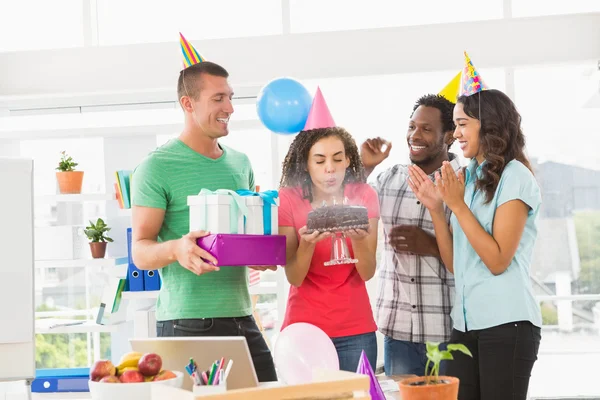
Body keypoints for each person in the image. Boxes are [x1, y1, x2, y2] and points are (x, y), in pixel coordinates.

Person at [129, 35, 277, 382]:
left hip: (243, 315)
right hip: (187, 323)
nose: (229, 107)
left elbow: (241, 237)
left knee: (272, 390)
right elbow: (140, 250)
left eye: (230, 97)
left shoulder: (240, 163)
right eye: (218, 98)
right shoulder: (156, 167)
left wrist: (258, 251)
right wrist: (178, 249)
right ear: (188, 103)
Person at [408, 86, 543, 398]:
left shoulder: (515, 176)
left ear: (490, 124)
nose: (455, 134)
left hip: (508, 324)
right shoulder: (467, 177)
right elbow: (458, 265)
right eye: (455, 125)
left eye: (462, 123)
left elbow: (497, 261)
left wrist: (456, 205)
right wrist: (437, 211)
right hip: (465, 326)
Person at [278, 88, 380, 372]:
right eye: (320, 161)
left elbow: (367, 271)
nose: (330, 169)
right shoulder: (288, 199)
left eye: (338, 158)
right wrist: (308, 245)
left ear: (349, 160)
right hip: (304, 330)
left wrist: (359, 241)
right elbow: (294, 277)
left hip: (355, 328)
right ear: (307, 164)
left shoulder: (364, 195)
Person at [360, 93, 459, 376]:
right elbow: (346, 208)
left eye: (427, 129)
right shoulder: (387, 178)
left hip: (447, 328)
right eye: (412, 126)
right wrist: (365, 166)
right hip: (397, 328)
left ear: (449, 136)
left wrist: (432, 245)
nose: (415, 135)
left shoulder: (463, 182)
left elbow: (479, 254)